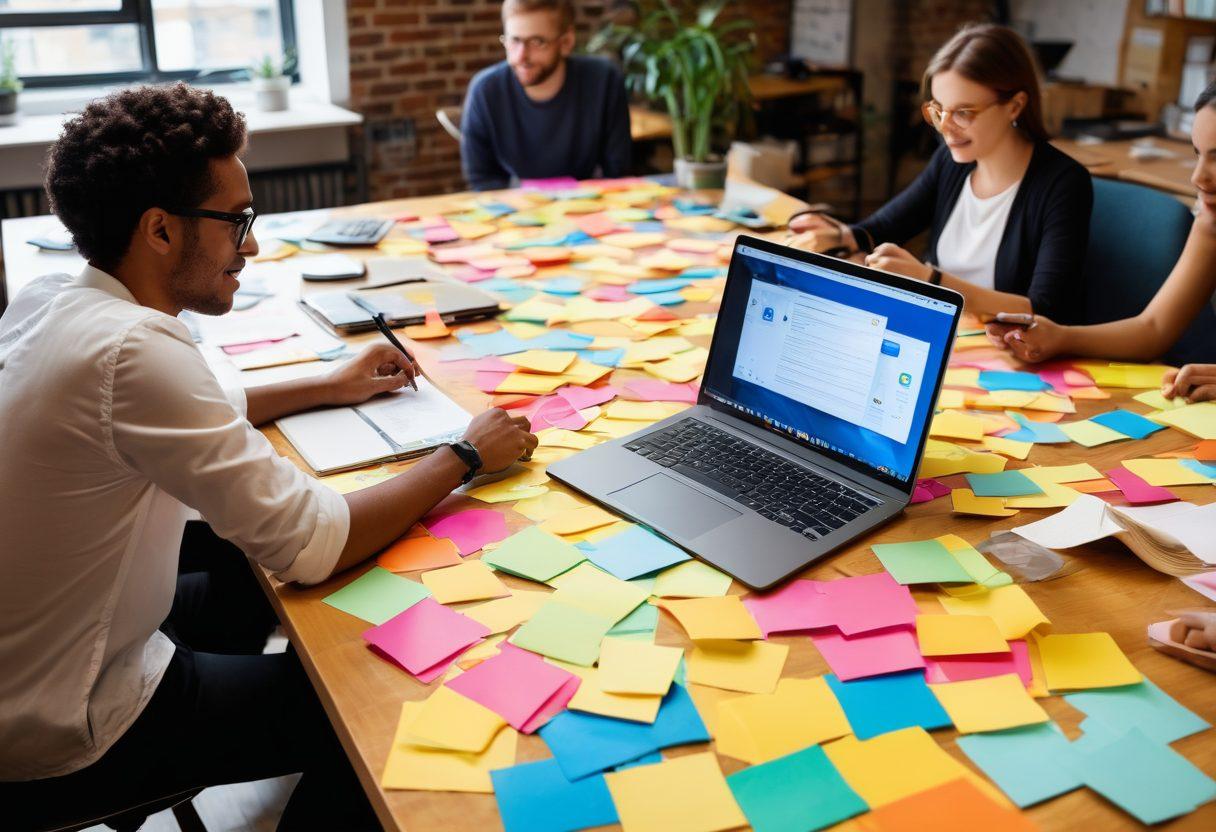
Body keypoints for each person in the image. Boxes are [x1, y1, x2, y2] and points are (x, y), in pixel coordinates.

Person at [0, 83, 536, 830]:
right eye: (235, 220)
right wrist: (464, 456)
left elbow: (184, 411)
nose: (249, 245)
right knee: (370, 713)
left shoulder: (60, 299)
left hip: (37, 656)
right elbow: (315, 544)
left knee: (236, 574)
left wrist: (327, 383)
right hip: (61, 725)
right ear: (159, 231)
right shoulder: (134, 352)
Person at [787, 23, 1092, 324]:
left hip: (1002, 354)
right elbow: (885, 226)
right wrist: (838, 236)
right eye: (939, 109)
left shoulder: (1063, 183)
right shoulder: (951, 161)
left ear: (1014, 106)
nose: (945, 127)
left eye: (963, 112)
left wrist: (930, 280)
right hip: (943, 331)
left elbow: (1044, 311)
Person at [985, 82, 1216, 404]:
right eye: (1197, 155)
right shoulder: (1211, 222)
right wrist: (1059, 337)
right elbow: (1152, 329)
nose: (1198, 177)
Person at [460, 0, 632, 190]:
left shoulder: (604, 81)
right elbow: (481, 180)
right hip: (515, 209)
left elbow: (618, 171)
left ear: (566, 42)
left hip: (587, 205)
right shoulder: (486, 90)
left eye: (537, 42)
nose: (520, 57)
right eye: (514, 40)